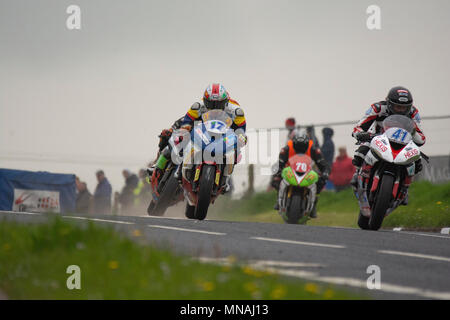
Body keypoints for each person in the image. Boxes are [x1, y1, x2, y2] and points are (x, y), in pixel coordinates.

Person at [351, 86, 426, 203]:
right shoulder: (378, 108)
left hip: (402, 144)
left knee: (417, 162)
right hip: (378, 139)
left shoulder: (413, 113)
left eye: (404, 107)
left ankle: (405, 189)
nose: (401, 110)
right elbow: (359, 126)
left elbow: (421, 139)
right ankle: (358, 178)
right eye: (398, 106)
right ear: (389, 104)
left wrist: (414, 131)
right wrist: (361, 134)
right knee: (360, 154)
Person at [177, 83, 248, 192]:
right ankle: (180, 166)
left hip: (225, 132)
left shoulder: (236, 110)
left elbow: (241, 130)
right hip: (202, 129)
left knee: (236, 148)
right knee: (182, 138)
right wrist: (186, 128)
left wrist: (241, 137)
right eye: (210, 103)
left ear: (225, 102)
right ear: (205, 100)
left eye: (218, 104)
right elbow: (186, 121)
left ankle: (226, 178)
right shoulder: (197, 106)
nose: (214, 106)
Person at [271, 130, 330, 218]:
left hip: (307, 173)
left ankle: (314, 203)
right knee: (275, 180)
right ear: (293, 143)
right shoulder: (286, 149)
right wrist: (277, 171)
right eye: (298, 146)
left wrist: (325, 172)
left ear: (307, 144)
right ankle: (278, 200)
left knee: (321, 181)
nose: (300, 148)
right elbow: (280, 163)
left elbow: (323, 164)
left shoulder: (314, 150)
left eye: (303, 146)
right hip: (290, 172)